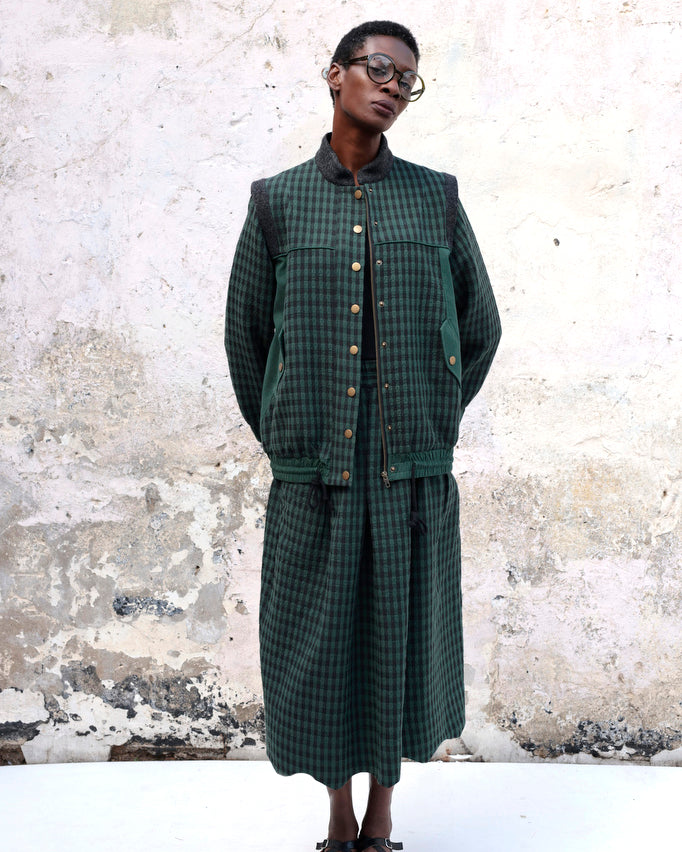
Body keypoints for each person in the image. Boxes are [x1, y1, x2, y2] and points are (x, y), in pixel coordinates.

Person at [225, 20, 501, 852]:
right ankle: (336, 815)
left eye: (407, 80)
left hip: (410, 470)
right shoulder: (276, 201)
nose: (391, 87)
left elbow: (480, 325)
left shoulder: (435, 196)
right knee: (320, 651)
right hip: (315, 473)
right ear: (336, 74)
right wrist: (287, 436)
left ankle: (383, 817)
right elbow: (247, 339)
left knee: (399, 646)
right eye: (379, 69)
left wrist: (432, 420)